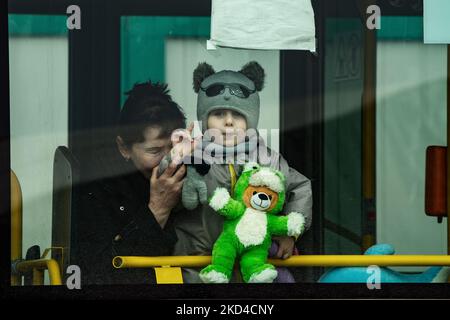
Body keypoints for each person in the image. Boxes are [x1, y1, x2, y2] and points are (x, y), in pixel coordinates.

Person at [172, 61, 313, 283]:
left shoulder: (266, 159)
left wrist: (289, 233)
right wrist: (178, 160)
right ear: (204, 118)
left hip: (253, 267)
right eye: (218, 113)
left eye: (237, 115)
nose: (228, 122)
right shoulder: (193, 155)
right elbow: (169, 195)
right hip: (199, 265)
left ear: (251, 119)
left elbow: (300, 187)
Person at [76, 81, 189, 284]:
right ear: (124, 148)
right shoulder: (99, 192)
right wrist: (158, 209)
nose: (168, 160)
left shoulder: (196, 177)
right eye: (154, 151)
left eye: (173, 147)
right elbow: (101, 276)